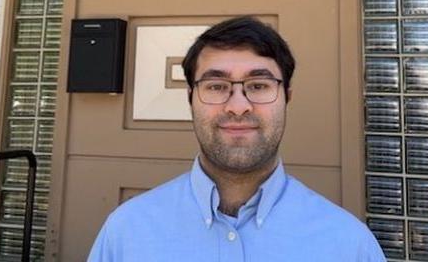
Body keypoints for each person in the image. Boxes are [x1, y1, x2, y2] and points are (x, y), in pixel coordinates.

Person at [88, 16, 386, 261]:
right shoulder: (126, 233)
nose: (238, 106)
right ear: (191, 98)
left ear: (287, 98)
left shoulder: (350, 245)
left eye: (258, 85)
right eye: (217, 86)